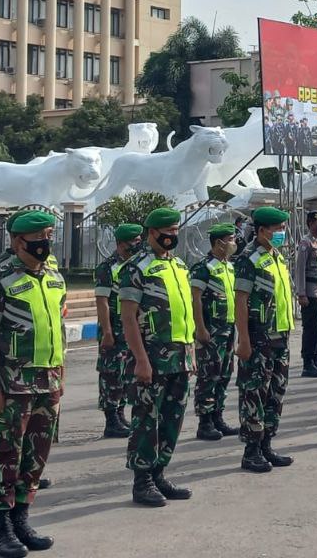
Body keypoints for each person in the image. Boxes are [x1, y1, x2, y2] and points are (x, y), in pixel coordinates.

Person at [0, 210, 65, 558]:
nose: (46, 242)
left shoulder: (54, 277)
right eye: (40, 236)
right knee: (5, 455)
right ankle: (1, 529)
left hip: (48, 382)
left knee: (36, 457)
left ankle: (22, 518)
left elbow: (56, 330)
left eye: (49, 235)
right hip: (12, 386)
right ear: (17, 241)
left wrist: (61, 375)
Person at [120, 207, 195, 506]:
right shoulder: (136, 268)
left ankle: (159, 472)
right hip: (151, 357)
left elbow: (184, 313)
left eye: (176, 231)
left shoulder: (178, 266)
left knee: (172, 420)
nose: (172, 236)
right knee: (146, 420)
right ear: (152, 233)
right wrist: (140, 359)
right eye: (167, 232)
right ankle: (142, 481)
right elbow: (128, 318)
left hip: (180, 356)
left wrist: (191, 354)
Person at [234, 206, 295, 473]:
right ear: (261, 231)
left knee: (275, 394)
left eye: (282, 228)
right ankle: (251, 450)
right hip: (258, 338)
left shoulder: (276, 257)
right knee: (254, 394)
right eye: (277, 229)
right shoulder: (249, 259)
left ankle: (267, 444)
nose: (282, 233)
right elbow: (240, 301)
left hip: (280, 336)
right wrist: (244, 340)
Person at [191, 223, 239, 442]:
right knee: (208, 375)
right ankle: (205, 421)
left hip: (228, 329)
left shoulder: (229, 266)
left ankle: (218, 416)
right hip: (211, 330)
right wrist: (200, 328)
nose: (233, 243)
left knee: (224, 373)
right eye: (230, 239)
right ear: (218, 242)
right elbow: (195, 299)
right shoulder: (204, 267)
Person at [93, 224, 141, 440]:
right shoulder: (107, 267)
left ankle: (121, 414)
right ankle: (111, 418)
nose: (138, 245)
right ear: (121, 244)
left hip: (129, 330)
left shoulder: (135, 266)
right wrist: (107, 332)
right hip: (113, 328)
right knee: (111, 374)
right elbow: (102, 301)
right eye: (134, 241)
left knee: (125, 374)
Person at [294, 211, 317, 378]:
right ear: (309, 223)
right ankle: (307, 363)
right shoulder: (305, 243)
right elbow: (299, 269)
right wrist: (301, 293)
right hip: (310, 290)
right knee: (311, 329)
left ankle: (316, 359)